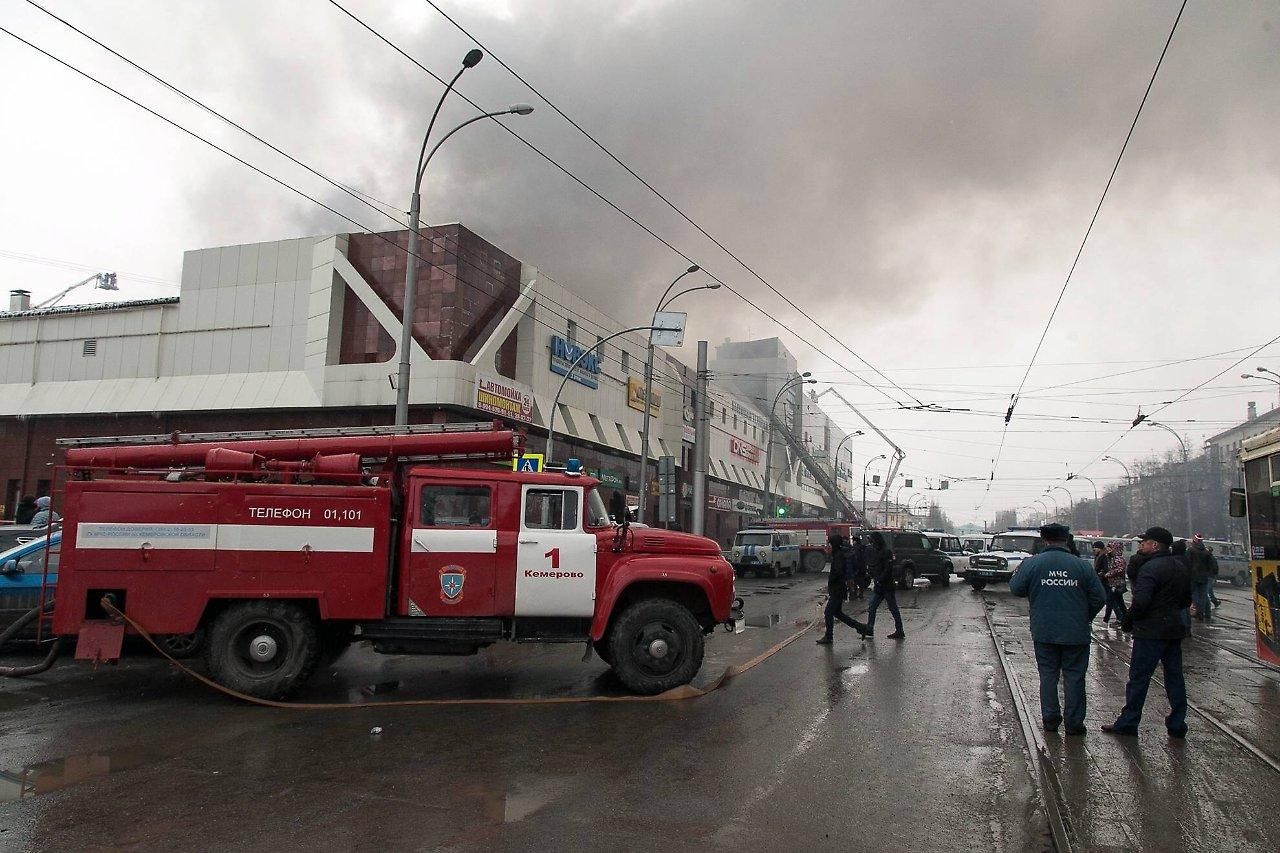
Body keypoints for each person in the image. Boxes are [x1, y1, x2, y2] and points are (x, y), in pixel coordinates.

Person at [1009, 524, 1106, 735]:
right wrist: (1084, 616)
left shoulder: (1032, 563)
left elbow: (1016, 589)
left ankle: (1050, 719)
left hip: (1044, 630)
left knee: (1048, 674)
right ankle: (1074, 723)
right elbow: (1099, 597)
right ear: (1066, 540)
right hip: (1076, 632)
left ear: (1044, 540)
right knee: (1074, 676)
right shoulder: (1082, 566)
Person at [1103, 526, 1192, 739]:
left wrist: (1128, 620)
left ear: (1155, 545)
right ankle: (1177, 723)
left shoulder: (1150, 568)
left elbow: (1141, 601)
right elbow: (1186, 600)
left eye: (1144, 542)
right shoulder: (1179, 566)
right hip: (1173, 630)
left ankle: (1129, 721)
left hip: (1150, 632)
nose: (1140, 545)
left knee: (1139, 678)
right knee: (1174, 677)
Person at [816, 534, 871, 644]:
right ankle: (860, 627)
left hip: (838, 588)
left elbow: (839, 571)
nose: (829, 546)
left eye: (830, 544)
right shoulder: (840, 553)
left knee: (828, 613)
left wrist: (833, 581)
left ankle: (829, 636)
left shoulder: (839, 555)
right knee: (837, 613)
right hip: (838, 588)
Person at [865, 531, 905, 639]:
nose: (871, 543)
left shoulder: (885, 552)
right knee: (872, 607)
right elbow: (878, 566)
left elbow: (887, 568)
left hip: (886, 586)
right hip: (880, 586)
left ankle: (900, 630)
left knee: (893, 608)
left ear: (876, 541)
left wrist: (880, 579)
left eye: (872, 540)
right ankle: (869, 629)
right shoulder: (878, 551)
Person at [1187, 535, 1218, 623]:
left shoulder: (1191, 551)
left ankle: (1198, 612)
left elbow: (1187, 562)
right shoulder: (1206, 552)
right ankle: (1205, 613)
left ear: (1194, 541)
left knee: (1195, 595)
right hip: (1204, 577)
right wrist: (1211, 574)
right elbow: (1213, 565)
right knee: (1204, 595)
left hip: (1193, 577)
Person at [1101, 541, 1128, 626]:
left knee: (1110, 601)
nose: (1109, 549)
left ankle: (1106, 620)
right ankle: (1126, 618)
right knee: (1120, 602)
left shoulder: (1119, 559)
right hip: (1113, 583)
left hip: (1117, 584)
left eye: (1110, 547)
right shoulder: (1111, 558)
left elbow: (1120, 569)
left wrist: (1108, 574)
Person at [849, 534, 870, 600]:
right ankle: (861, 594)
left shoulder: (854, 548)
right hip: (862, 567)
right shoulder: (863, 547)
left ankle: (854, 595)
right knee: (861, 582)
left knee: (855, 582)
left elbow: (855, 559)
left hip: (856, 568)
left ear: (855, 541)